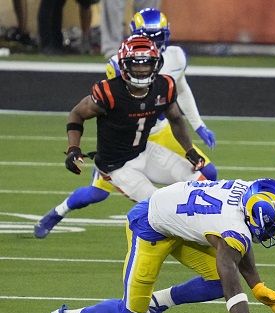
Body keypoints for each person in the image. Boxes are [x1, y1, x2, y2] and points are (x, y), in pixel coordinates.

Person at [44, 177, 275, 313]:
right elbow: (232, 272)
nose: (273, 233)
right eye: (272, 227)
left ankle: (157, 304)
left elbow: (241, 241)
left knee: (218, 282)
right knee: (130, 311)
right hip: (149, 227)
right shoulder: (232, 225)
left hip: (179, 222)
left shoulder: (248, 192)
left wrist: (257, 285)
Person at [34, 8, 217, 239]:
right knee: (112, 196)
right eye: (135, 64)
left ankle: (211, 231)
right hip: (118, 159)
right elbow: (82, 113)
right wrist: (73, 149)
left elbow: (176, 114)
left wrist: (193, 140)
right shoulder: (109, 91)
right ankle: (58, 213)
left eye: (147, 64)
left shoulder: (167, 79)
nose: (141, 69)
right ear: (123, 65)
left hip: (150, 141)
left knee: (203, 178)